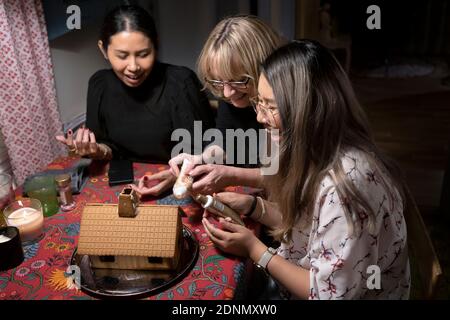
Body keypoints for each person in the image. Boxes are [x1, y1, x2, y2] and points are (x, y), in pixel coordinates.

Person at [202, 40, 410, 299]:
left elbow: (325, 294)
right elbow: (310, 229)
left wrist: (254, 249)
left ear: (307, 109)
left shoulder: (345, 187)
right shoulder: (318, 150)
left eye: (271, 106)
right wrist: (254, 207)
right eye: (259, 103)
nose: (259, 117)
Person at [56, 5, 215, 195]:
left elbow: (207, 151)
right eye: (122, 56)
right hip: (124, 185)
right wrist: (95, 150)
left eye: (143, 54)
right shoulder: (99, 84)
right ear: (104, 50)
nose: (133, 67)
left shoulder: (181, 83)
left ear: (155, 45)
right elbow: (110, 148)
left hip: (180, 185)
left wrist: (176, 178)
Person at [168, 15, 283, 195]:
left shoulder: (285, 104)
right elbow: (225, 142)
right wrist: (201, 159)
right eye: (218, 81)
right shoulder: (230, 91)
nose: (227, 93)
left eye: (239, 80)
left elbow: (285, 176)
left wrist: (231, 175)